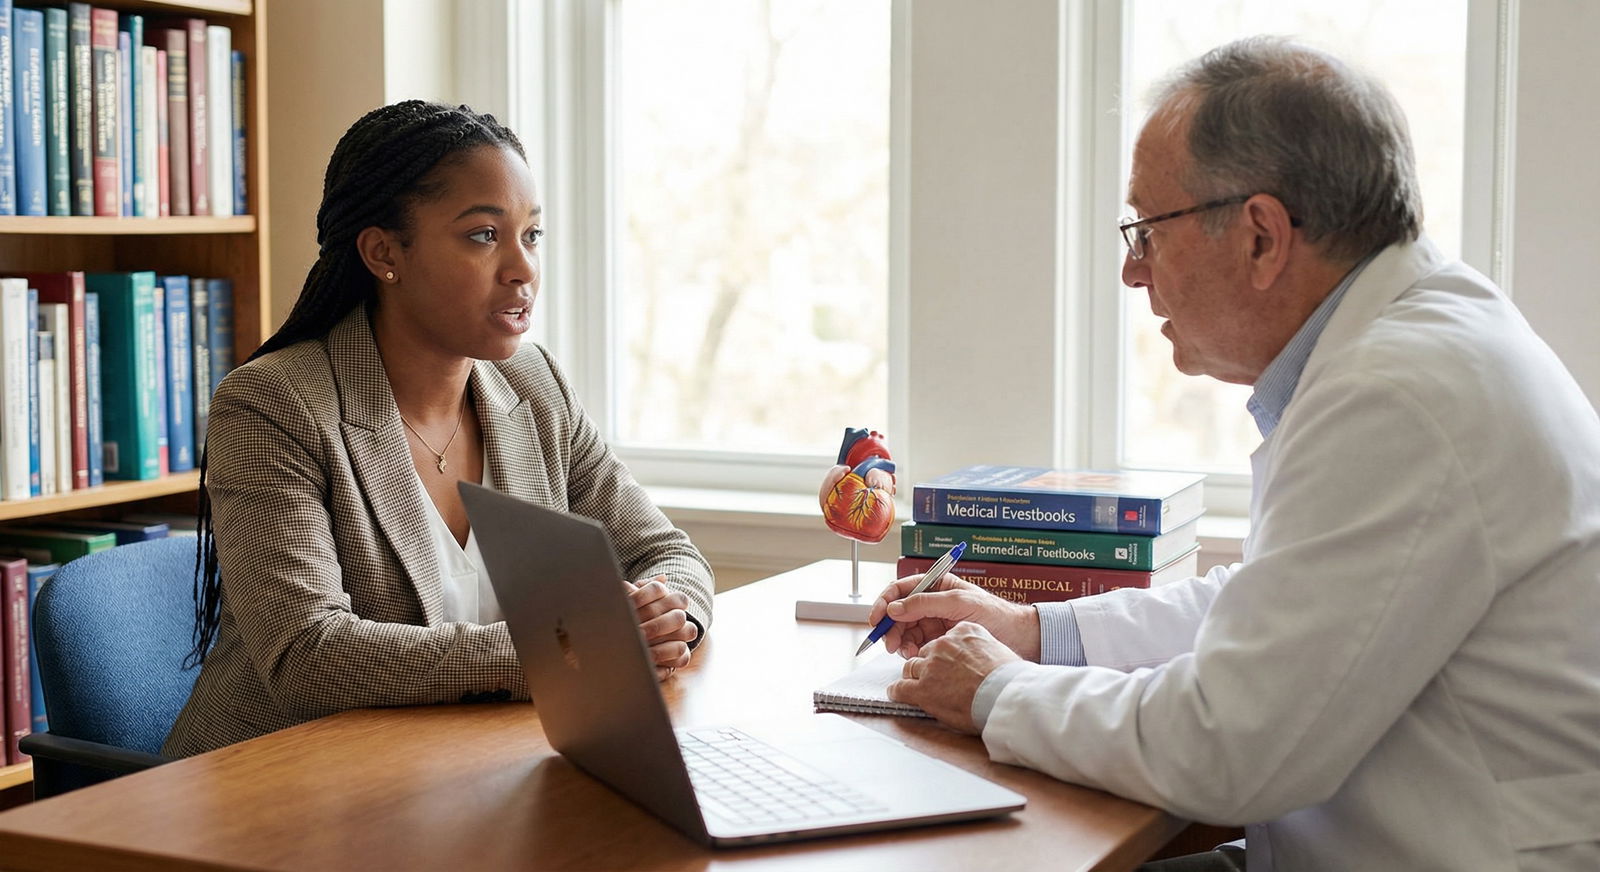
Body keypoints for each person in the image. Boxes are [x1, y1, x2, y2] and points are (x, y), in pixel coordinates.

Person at [873, 37, 1600, 871]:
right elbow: (1273, 604)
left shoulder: (1396, 394)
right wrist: (1036, 629)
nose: (1130, 272)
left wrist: (998, 689)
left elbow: (1227, 746)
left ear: (1260, 235)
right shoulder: (1418, 336)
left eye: (1147, 230)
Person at [164, 101, 714, 757]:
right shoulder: (273, 405)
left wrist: (663, 616)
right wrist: (561, 646)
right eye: (484, 235)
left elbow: (667, 553)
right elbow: (309, 654)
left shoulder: (533, 386)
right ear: (383, 252)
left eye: (531, 235)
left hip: (461, 766)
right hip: (284, 782)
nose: (523, 269)